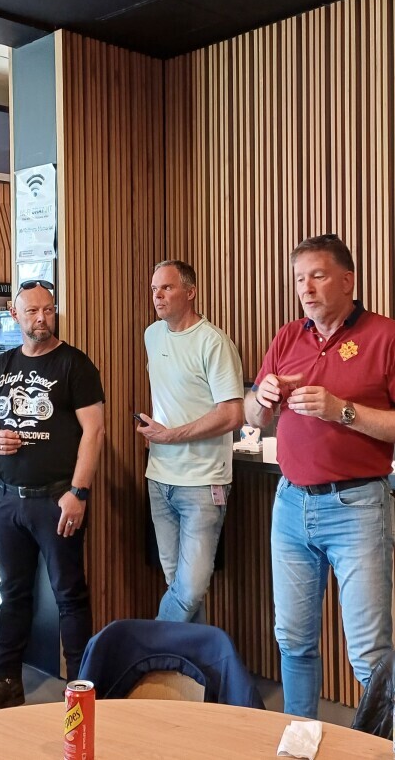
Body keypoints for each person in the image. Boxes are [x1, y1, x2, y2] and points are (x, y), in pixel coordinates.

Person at [245, 234, 395, 719]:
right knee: (293, 640)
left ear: (348, 280)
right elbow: (252, 414)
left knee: (369, 655)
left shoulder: (391, 337)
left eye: (318, 276)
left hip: (357, 507)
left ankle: (384, 745)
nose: (306, 289)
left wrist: (343, 411)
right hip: (290, 503)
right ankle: (300, 738)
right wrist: (261, 399)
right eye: (298, 279)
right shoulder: (288, 336)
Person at [0, 280, 105, 715]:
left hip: (57, 499)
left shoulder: (75, 364)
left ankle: (82, 689)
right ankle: (7, 679)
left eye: (47, 310)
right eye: (32, 311)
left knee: (69, 594)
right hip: (6, 500)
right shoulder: (2, 364)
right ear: (15, 313)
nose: (41, 318)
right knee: (12, 592)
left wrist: (78, 492)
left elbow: (94, 432)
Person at [135, 260, 244, 623]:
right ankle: (190, 662)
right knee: (179, 587)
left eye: (167, 288)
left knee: (190, 590)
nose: (158, 296)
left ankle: (149, 647)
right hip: (159, 478)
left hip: (203, 483)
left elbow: (232, 415)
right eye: (154, 289)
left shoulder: (214, 342)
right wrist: (157, 432)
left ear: (191, 292)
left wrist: (170, 435)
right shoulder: (152, 335)